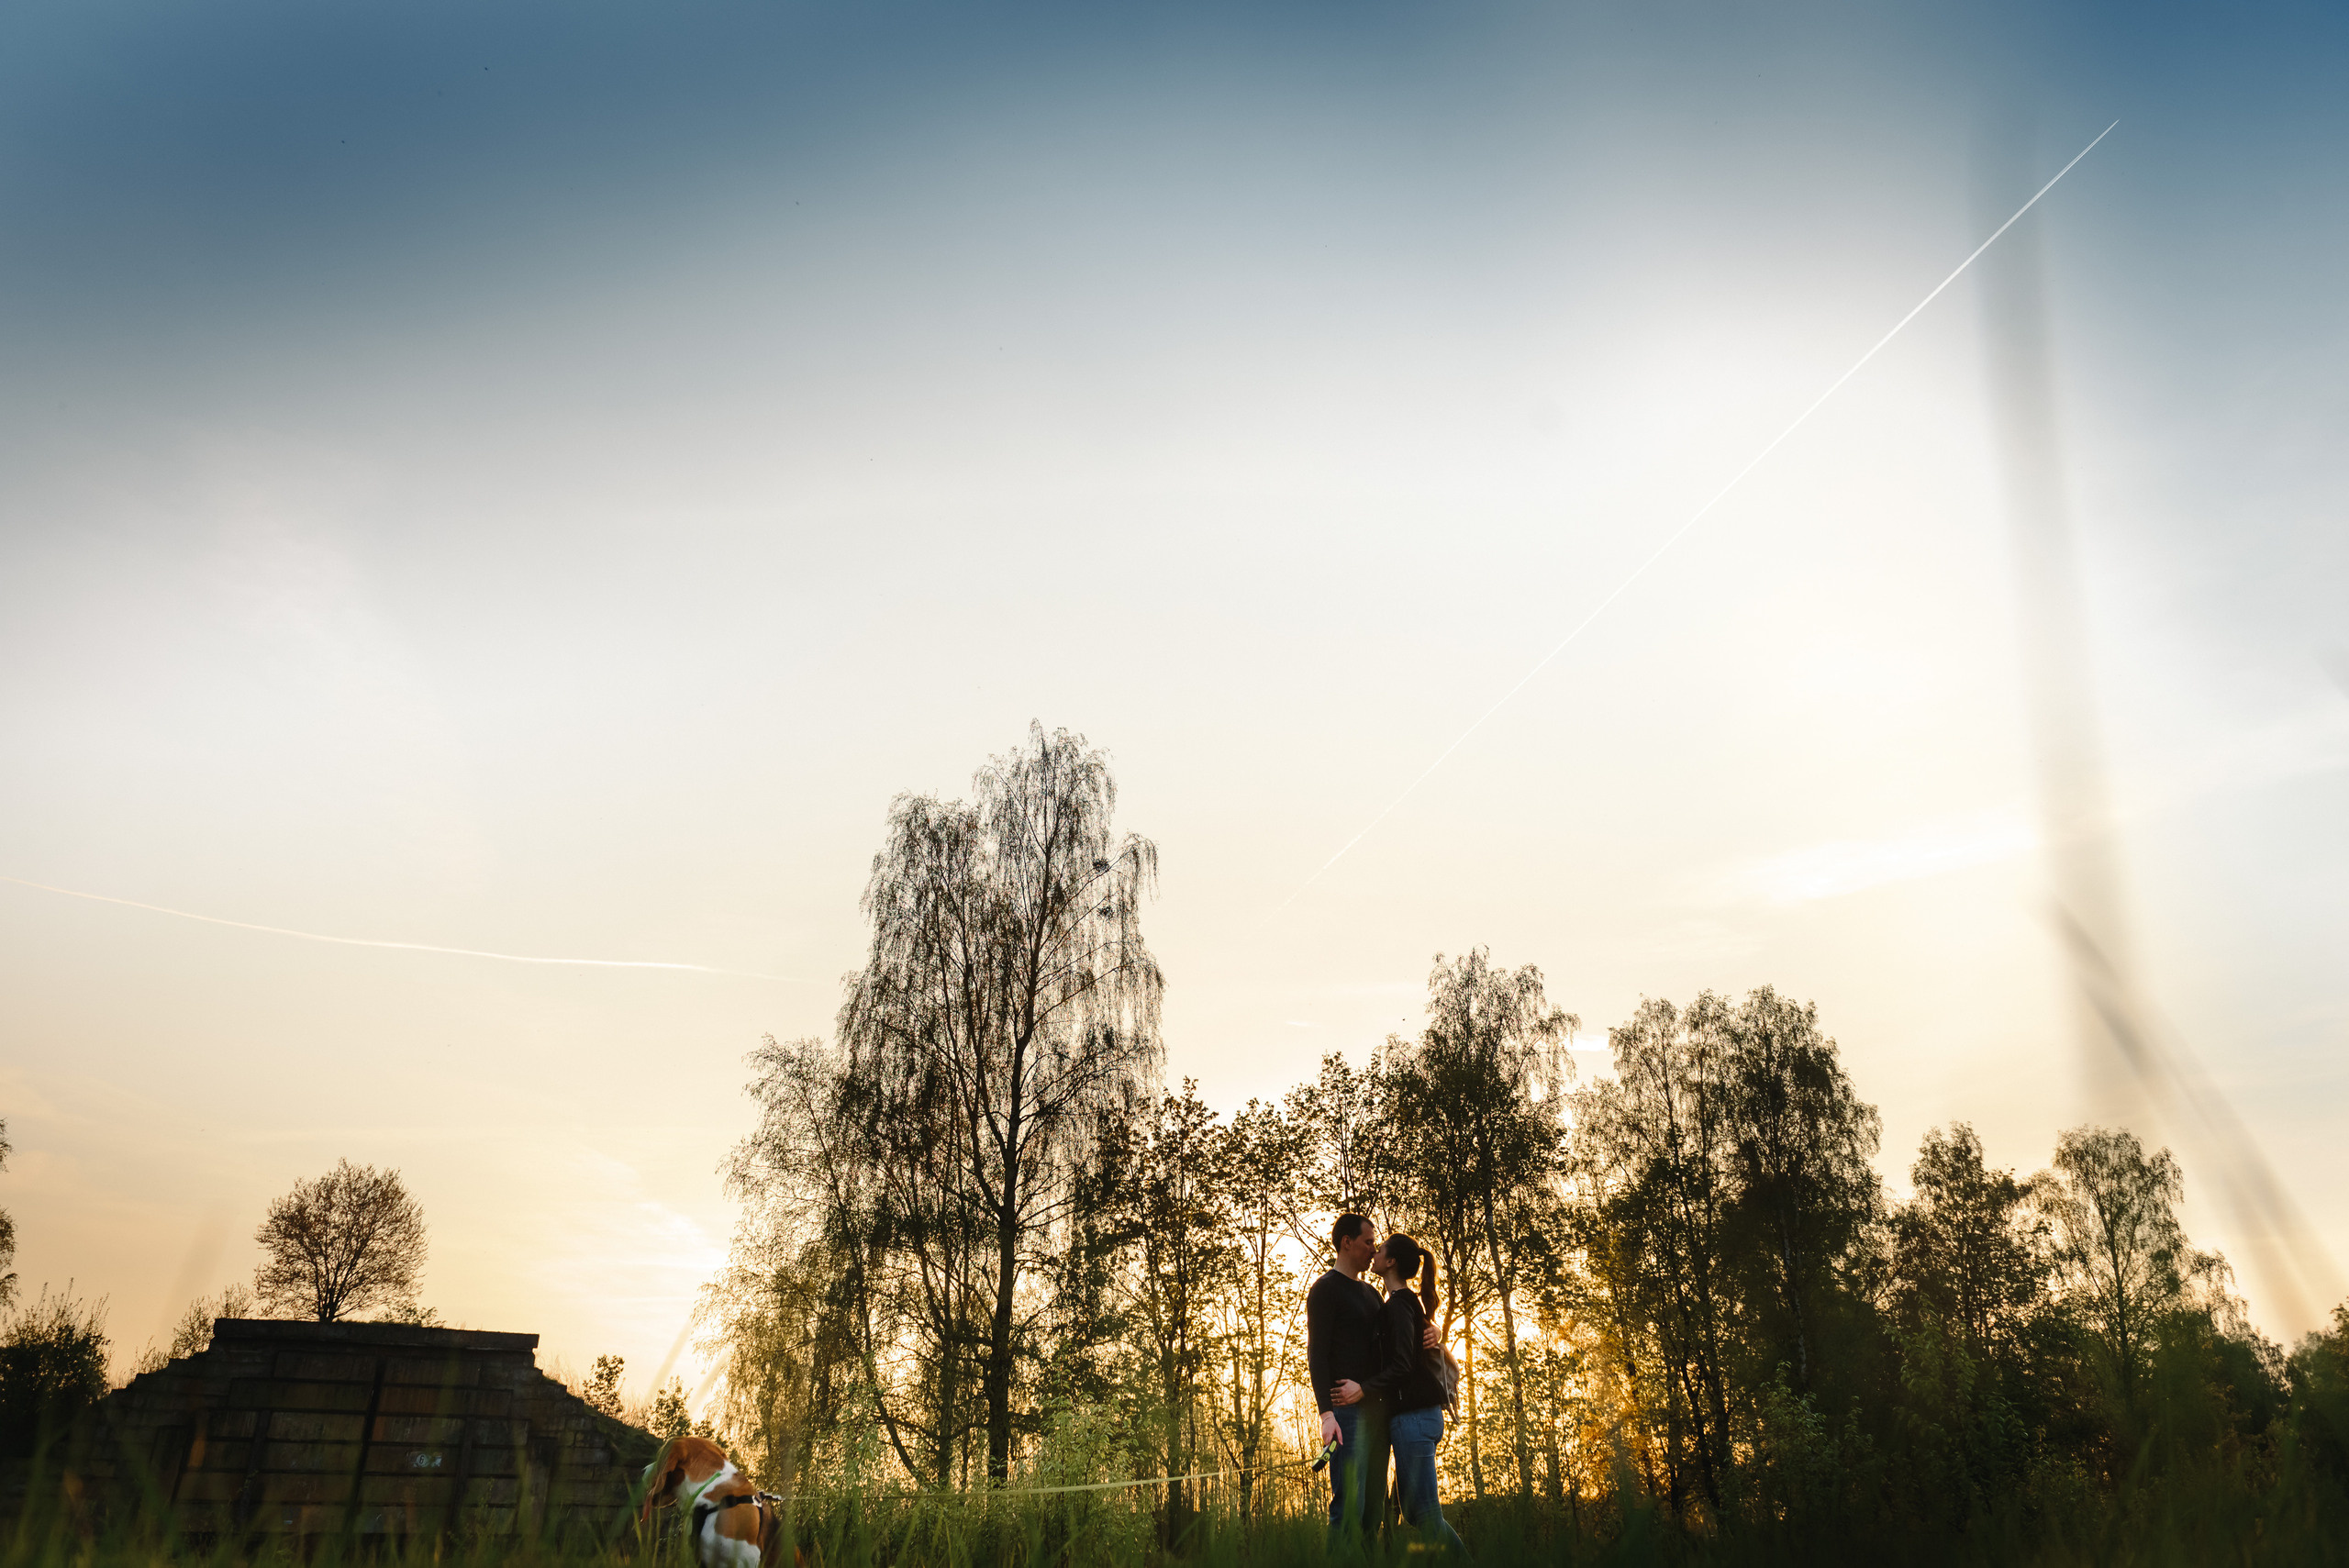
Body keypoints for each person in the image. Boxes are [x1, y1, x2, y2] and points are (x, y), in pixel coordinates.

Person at [1339, 1232, 1471, 1559]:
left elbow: (1401, 1366)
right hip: (1414, 1420)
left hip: (1414, 1419)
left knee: (1424, 1514)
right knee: (1415, 1513)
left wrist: (1362, 1388)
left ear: (1392, 1261)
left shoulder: (1399, 1306)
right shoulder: (1402, 1304)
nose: (1375, 1253)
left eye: (1380, 1249)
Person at [1306, 1213, 1390, 1548]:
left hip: (1377, 1413)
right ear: (1347, 1242)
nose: (1374, 1249)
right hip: (1345, 1416)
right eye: (1369, 1242)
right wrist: (1326, 1415)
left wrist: (1433, 1331)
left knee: (1373, 1513)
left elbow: (1392, 1342)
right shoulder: (1324, 1290)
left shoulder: (1373, 1295)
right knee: (1348, 1508)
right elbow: (1317, 1355)